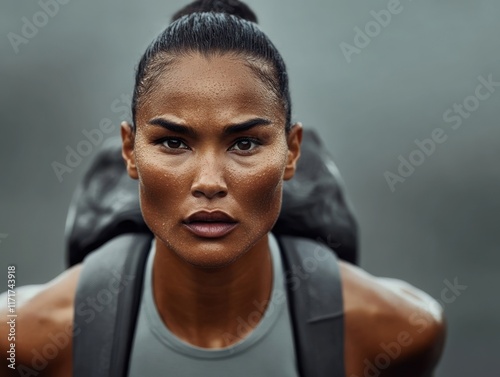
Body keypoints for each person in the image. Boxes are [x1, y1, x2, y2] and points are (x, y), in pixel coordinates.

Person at [1, 1, 446, 376]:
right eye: (173, 142)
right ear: (130, 152)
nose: (209, 182)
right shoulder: (20, 337)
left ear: (292, 153)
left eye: (245, 143)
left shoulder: (399, 331)